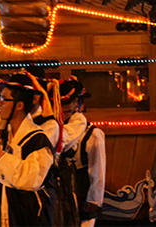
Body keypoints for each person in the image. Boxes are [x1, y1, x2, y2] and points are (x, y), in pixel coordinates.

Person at [0, 74, 58, 226]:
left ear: (19, 105)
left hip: (31, 217)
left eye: (4, 99)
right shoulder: (5, 136)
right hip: (7, 211)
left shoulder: (38, 140)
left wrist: (0, 155)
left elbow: (31, 179)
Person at [57, 77, 106, 227]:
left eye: (67, 103)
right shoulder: (50, 131)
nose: (63, 108)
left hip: (80, 194)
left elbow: (98, 170)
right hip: (57, 198)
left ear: (79, 104)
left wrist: (94, 200)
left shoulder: (92, 134)